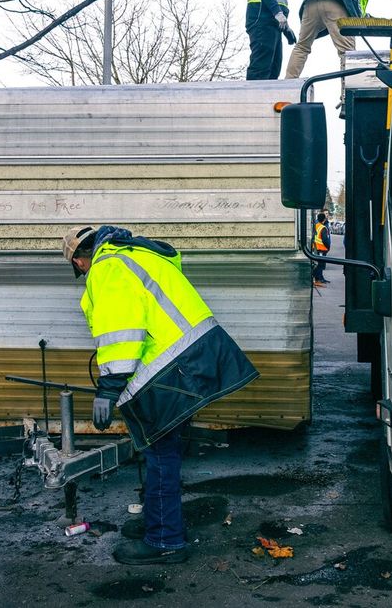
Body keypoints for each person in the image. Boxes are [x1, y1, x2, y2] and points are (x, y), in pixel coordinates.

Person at [62, 225, 259, 565]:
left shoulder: (108, 268)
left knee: (160, 455)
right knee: (163, 451)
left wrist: (108, 390)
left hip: (172, 371)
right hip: (191, 362)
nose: (82, 271)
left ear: (80, 261)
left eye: (78, 267)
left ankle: (165, 540)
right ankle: (158, 521)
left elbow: (121, 331)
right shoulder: (138, 255)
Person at [246, 0, 290, 80]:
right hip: (262, 20)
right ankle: (254, 95)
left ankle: (266, 96)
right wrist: (277, 12)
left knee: (274, 68)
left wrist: (286, 27)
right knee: (261, 69)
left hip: (274, 24)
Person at [312, 211, 332, 285]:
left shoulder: (316, 225)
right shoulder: (323, 228)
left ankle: (319, 278)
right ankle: (319, 278)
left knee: (318, 264)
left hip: (316, 248)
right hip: (321, 248)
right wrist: (328, 247)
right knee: (320, 265)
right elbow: (325, 240)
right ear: (324, 219)